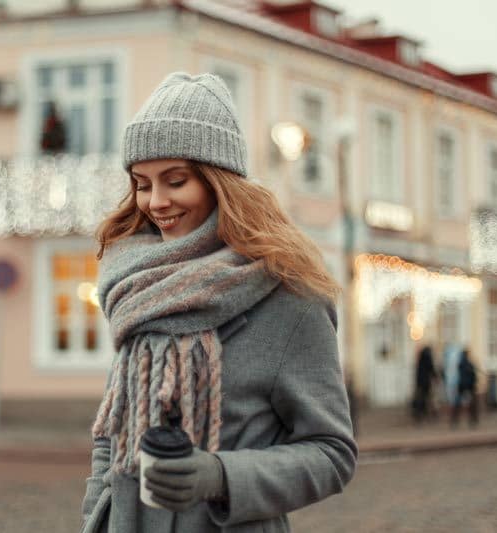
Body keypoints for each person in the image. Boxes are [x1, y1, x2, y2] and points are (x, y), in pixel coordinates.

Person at [80, 72, 357, 533]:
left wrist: (221, 476)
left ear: (218, 182)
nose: (156, 202)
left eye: (176, 180)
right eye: (142, 183)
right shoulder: (138, 288)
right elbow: (111, 433)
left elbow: (331, 453)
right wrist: (95, 517)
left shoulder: (291, 298)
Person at [450, 348, 478, 428]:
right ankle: (471, 420)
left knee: (460, 403)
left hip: (463, 385)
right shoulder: (466, 364)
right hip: (467, 385)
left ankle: (455, 420)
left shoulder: (463, 363)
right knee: (470, 403)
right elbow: (472, 374)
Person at [412, 345, 436, 422]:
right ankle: (423, 412)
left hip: (420, 381)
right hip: (425, 381)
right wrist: (435, 376)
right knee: (425, 397)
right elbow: (431, 367)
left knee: (422, 397)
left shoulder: (421, 359)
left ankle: (420, 412)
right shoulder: (427, 357)